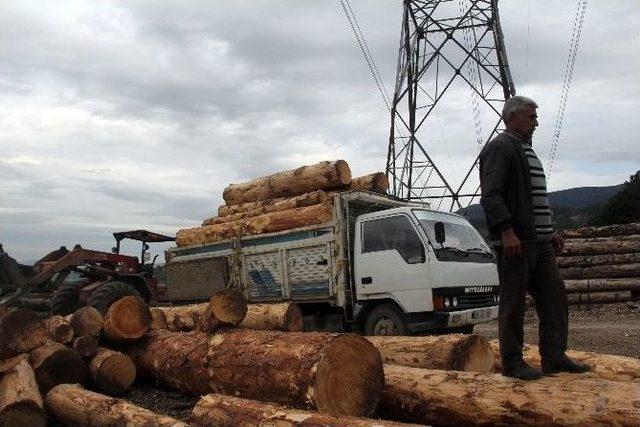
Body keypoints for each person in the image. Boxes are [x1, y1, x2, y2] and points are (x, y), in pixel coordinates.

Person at [479, 95, 590, 380]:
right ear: (511, 117)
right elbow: (491, 195)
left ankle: (554, 357)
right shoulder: (501, 148)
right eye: (531, 117)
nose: (536, 123)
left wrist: (549, 231)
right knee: (513, 304)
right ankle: (513, 363)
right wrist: (506, 232)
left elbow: (533, 199)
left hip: (539, 243)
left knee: (555, 297)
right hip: (517, 243)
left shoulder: (524, 149)